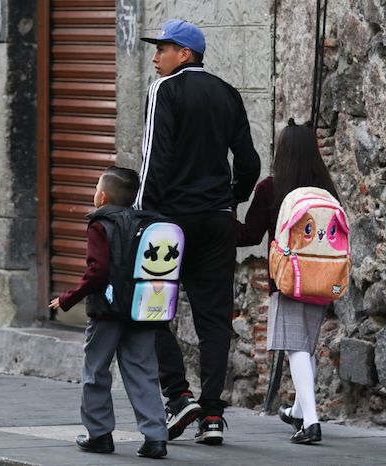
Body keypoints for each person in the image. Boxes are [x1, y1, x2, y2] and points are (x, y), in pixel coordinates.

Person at [136, 19, 261, 445]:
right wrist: (231, 201)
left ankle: (178, 395)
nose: (155, 57)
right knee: (214, 319)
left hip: (170, 223)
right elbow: (249, 162)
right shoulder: (227, 94)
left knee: (149, 310)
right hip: (216, 221)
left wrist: (141, 214)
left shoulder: (164, 91)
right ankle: (211, 415)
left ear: (184, 54)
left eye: (162, 49)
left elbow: (155, 158)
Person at [49, 166, 169, 459]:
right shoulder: (148, 222)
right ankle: (155, 438)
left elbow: (98, 270)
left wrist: (67, 298)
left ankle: (99, 434)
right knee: (143, 371)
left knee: (96, 370)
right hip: (142, 309)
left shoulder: (100, 224)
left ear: (101, 197)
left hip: (107, 312)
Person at [235, 118, 341, 444]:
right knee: (305, 345)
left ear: (281, 150)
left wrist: (219, 220)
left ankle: (310, 421)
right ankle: (297, 410)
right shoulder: (325, 189)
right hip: (322, 278)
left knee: (295, 347)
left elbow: (250, 235)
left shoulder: (270, 187)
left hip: (286, 280)